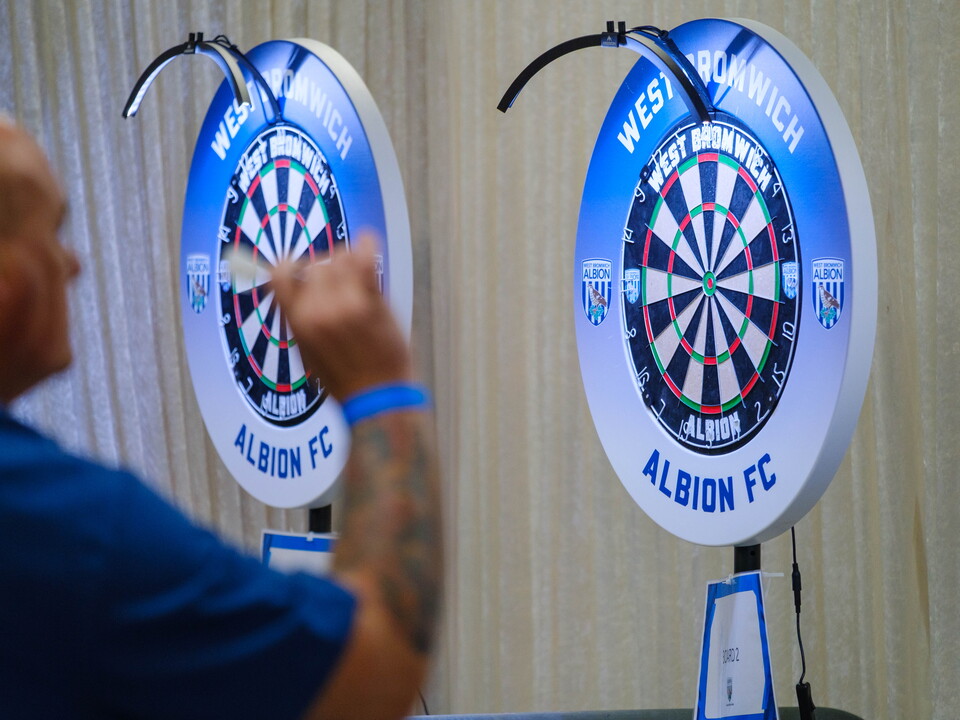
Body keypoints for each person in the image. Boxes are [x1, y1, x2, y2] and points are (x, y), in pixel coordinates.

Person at [0, 118, 442, 720]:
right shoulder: (76, 535)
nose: (72, 263)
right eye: (52, 233)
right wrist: (379, 386)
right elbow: (373, 666)